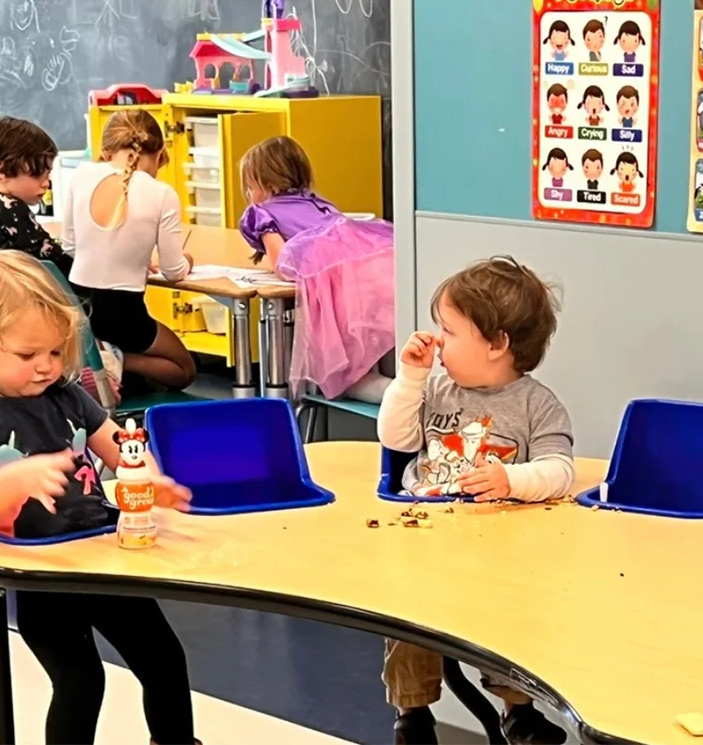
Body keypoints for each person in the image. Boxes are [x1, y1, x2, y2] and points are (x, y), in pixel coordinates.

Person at [0, 248, 198, 745]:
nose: (45, 367)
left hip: (100, 559)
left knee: (164, 659)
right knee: (81, 681)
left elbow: (122, 447)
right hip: (39, 580)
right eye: (27, 355)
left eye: (55, 352)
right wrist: (18, 478)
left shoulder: (68, 395)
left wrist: (149, 477)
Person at [377, 256, 574, 745]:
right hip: (427, 542)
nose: (436, 339)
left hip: (501, 555)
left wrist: (512, 479)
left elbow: (561, 471)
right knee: (407, 615)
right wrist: (410, 379)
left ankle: (517, 708)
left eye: (449, 329)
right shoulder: (436, 389)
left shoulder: (537, 405)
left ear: (497, 344)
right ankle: (413, 713)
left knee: (513, 615)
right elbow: (395, 438)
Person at [238, 136, 394, 400]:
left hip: (340, 293)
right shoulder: (317, 202)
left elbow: (282, 264)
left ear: (269, 185)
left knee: (342, 379)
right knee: (377, 350)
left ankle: (395, 395)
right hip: (378, 275)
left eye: (251, 187)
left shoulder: (262, 213)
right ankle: (404, 389)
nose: (250, 195)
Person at [62, 110, 196, 390]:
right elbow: (173, 272)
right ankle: (117, 357)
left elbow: (70, 247)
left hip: (80, 304)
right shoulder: (162, 193)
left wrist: (127, 256)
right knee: (184, 370)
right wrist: (187, 261)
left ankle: (98, 356)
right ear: (160, 154)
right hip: (124, 311)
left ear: (105, 150)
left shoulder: (81, 174)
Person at [0, 116, 72, 277]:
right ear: (3, 170)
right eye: (38, 174)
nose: (46, 183)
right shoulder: (11, 209)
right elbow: (55, 258)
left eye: (48, 174)